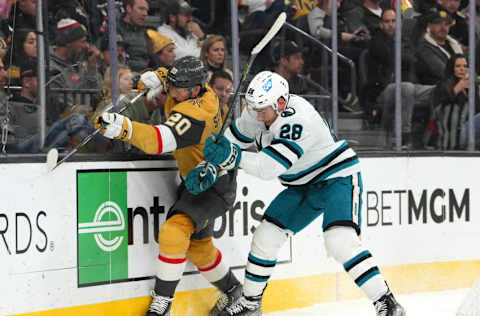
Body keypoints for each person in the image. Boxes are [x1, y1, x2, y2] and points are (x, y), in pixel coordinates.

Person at [200, 71, 406, 316]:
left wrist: (231, 158)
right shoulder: (259, 108)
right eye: (253, 107)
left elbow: (268, 168)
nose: (256, 114)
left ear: (280, 103)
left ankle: (387, 303)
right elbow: (232, 139)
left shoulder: (299, 119)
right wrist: (212, 163)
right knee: (265, 237)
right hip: (301, 184)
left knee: (339, 240)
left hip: (335, 177)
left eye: (262, 109)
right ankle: (250, 302)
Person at [93, 56, 242, 316]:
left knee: (173, 233)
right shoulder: (190, 87)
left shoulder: (198, 111)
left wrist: (124, 128)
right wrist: (155, 76)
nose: (172, 91)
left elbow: (158, 142)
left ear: (196, 89)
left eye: (179, 88)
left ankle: (163, 304)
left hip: (214, 184)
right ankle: (234, 292)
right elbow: (167, 77)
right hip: (195, 180)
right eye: (171, 85)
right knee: (198, 247)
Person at [48, 18, 102, 124]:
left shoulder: (83, 63)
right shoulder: (51, 67)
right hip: (66, 125)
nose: (86, 46)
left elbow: (97, 94)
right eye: (82, 41)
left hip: (87, 122)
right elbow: (65, 107)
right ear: (68, 42)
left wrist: (92, 68)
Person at [430, 54, 480, 149]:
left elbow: (476, 111)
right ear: (451, 68)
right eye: (458, 66)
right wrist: (456, 89)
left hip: (469, 132)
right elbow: (438, 108)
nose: (462, 69)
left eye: (465, 66)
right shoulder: (442, 85)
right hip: (454, 134)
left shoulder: (471, 87)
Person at [117, 0, 150, 72]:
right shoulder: (116, 29)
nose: (145, 13)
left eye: (146, 10)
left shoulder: (145, 32)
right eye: (141, 9)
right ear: (129, 8)